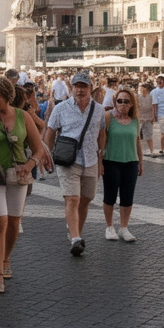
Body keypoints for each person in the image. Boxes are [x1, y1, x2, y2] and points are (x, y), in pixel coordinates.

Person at [0, 76, 47, 293]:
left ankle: (6, 258)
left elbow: (38, 148)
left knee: (14, 222)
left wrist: (31, 163)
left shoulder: (23, 116)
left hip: (18, 174)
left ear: (7, 97)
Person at [42, 71, 106, 257]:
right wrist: (47, 153)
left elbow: (102, 133)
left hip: (91, 159)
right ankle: (76, 238)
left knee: (86, 199)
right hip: (68, 160)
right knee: (72, 199)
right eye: (77, 86)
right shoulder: (61, 108)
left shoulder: (99, 110)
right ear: (71, 88)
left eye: (84, 86)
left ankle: (74, 229)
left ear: (90, 88)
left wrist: (101, 158)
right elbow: (50, 131)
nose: (80, 90)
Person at [102, 88, 143, 242]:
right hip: (111, 161)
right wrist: (100, 162)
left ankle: (124, 228)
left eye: (126, 101)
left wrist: (140, 161)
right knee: (110, 196)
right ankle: (110, 227)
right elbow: (102, 140)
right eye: (120, 101)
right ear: (115, 102)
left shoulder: (135, 120)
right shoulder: (108, 117)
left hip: (131, 162)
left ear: (132, 103)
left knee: (127, 196)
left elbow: (137, 141)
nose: (123, 104)